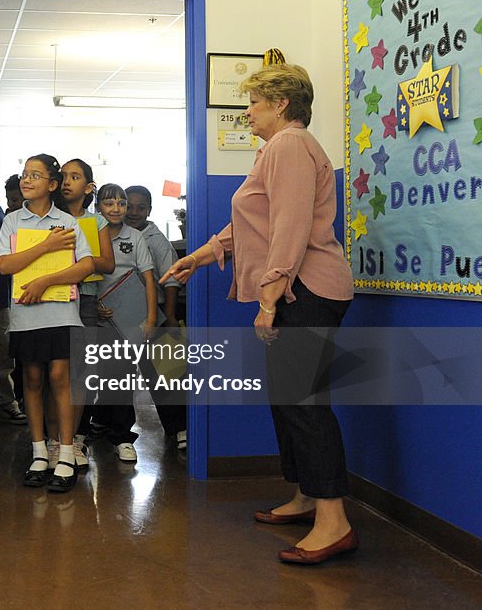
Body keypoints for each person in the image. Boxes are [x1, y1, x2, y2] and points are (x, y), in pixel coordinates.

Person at [162, 63, 356, 566]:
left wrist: (269, 299)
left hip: (307, 289)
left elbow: (289, 228)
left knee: (302, 402)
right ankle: (307, 496)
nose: (246, 110)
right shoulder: (277, 149)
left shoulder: (291, 146)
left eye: (253, 101)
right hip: (301, 289)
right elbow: (253, 220)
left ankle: (334, 522)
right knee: (288, 400)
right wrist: (200, 256)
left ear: (281, 104)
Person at [0, 154, 94, 493]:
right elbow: (6, 266)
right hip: (25, 315)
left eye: (35, 175)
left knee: (59, 377)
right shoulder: (12, 221)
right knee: (33, 378)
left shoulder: (69, 221)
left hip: (62, 312)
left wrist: (43, 282)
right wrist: (47, 245)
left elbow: (85, 267)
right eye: (24, 174)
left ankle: (65, 453)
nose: (26, 180)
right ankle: (39, 453)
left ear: (52, 185)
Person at [56, 158, 115, 470]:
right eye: (63, 176)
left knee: (80, 374)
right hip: (53, 300)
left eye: (75, 177)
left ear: (88, 187)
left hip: (86, 302)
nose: (67, 181)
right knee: (54, 373)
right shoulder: (49, 218)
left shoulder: (97, 223)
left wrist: (83, 261)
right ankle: (54, 441)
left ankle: (75, 439)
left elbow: (107, 264)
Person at [94, 183, 158, 463]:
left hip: (129, 318)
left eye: (121, 204)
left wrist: (152, 318)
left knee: (123, 375)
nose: (117, 209)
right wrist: (93, 305)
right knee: (91, 375)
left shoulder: (136, 237)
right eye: (109, 204)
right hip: (95, 316)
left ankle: (122, 436)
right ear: (98, 208)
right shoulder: (90, 234)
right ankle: (83, 432)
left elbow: (148, 278)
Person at [124, 185, 187, 450]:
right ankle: (115, 431)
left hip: (158, 314)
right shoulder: (115, 234)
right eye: (130, 206)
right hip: (124, 315)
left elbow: (171, 280)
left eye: (141, 207)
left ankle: (179, 428)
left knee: (166, 376)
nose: (134, 212)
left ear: (149, 210)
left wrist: (170, 316)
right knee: (119, 377)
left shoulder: (155, 238)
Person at [0, 174, 27, 424]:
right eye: (12, 199)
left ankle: (11, 401)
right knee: (4, 354)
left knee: (12, 355)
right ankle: (8, 402)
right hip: (4, 297)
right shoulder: (1, 217)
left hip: (23, 298)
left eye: (18, 199)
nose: (15, 203)